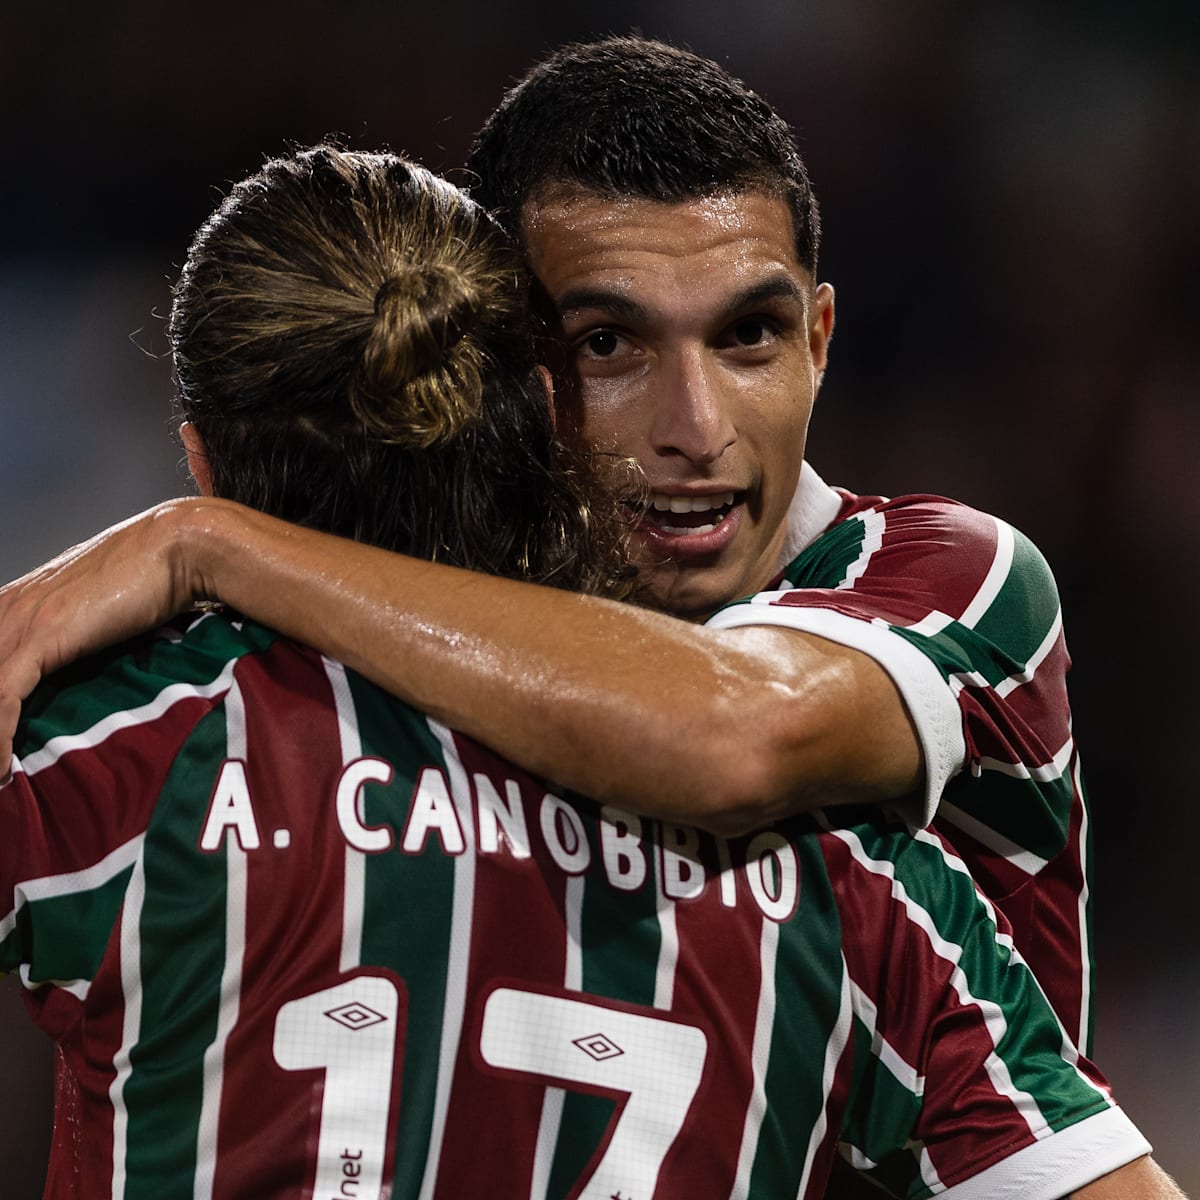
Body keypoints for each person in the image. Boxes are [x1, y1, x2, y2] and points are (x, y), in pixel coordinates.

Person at [0, 147, 1180, 1199]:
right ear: (532, 415)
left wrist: (207, 545)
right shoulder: (844, 866)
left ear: (204, 459)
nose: (693, 428)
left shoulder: (110, 748)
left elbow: (729, 729)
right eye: (615, 345)